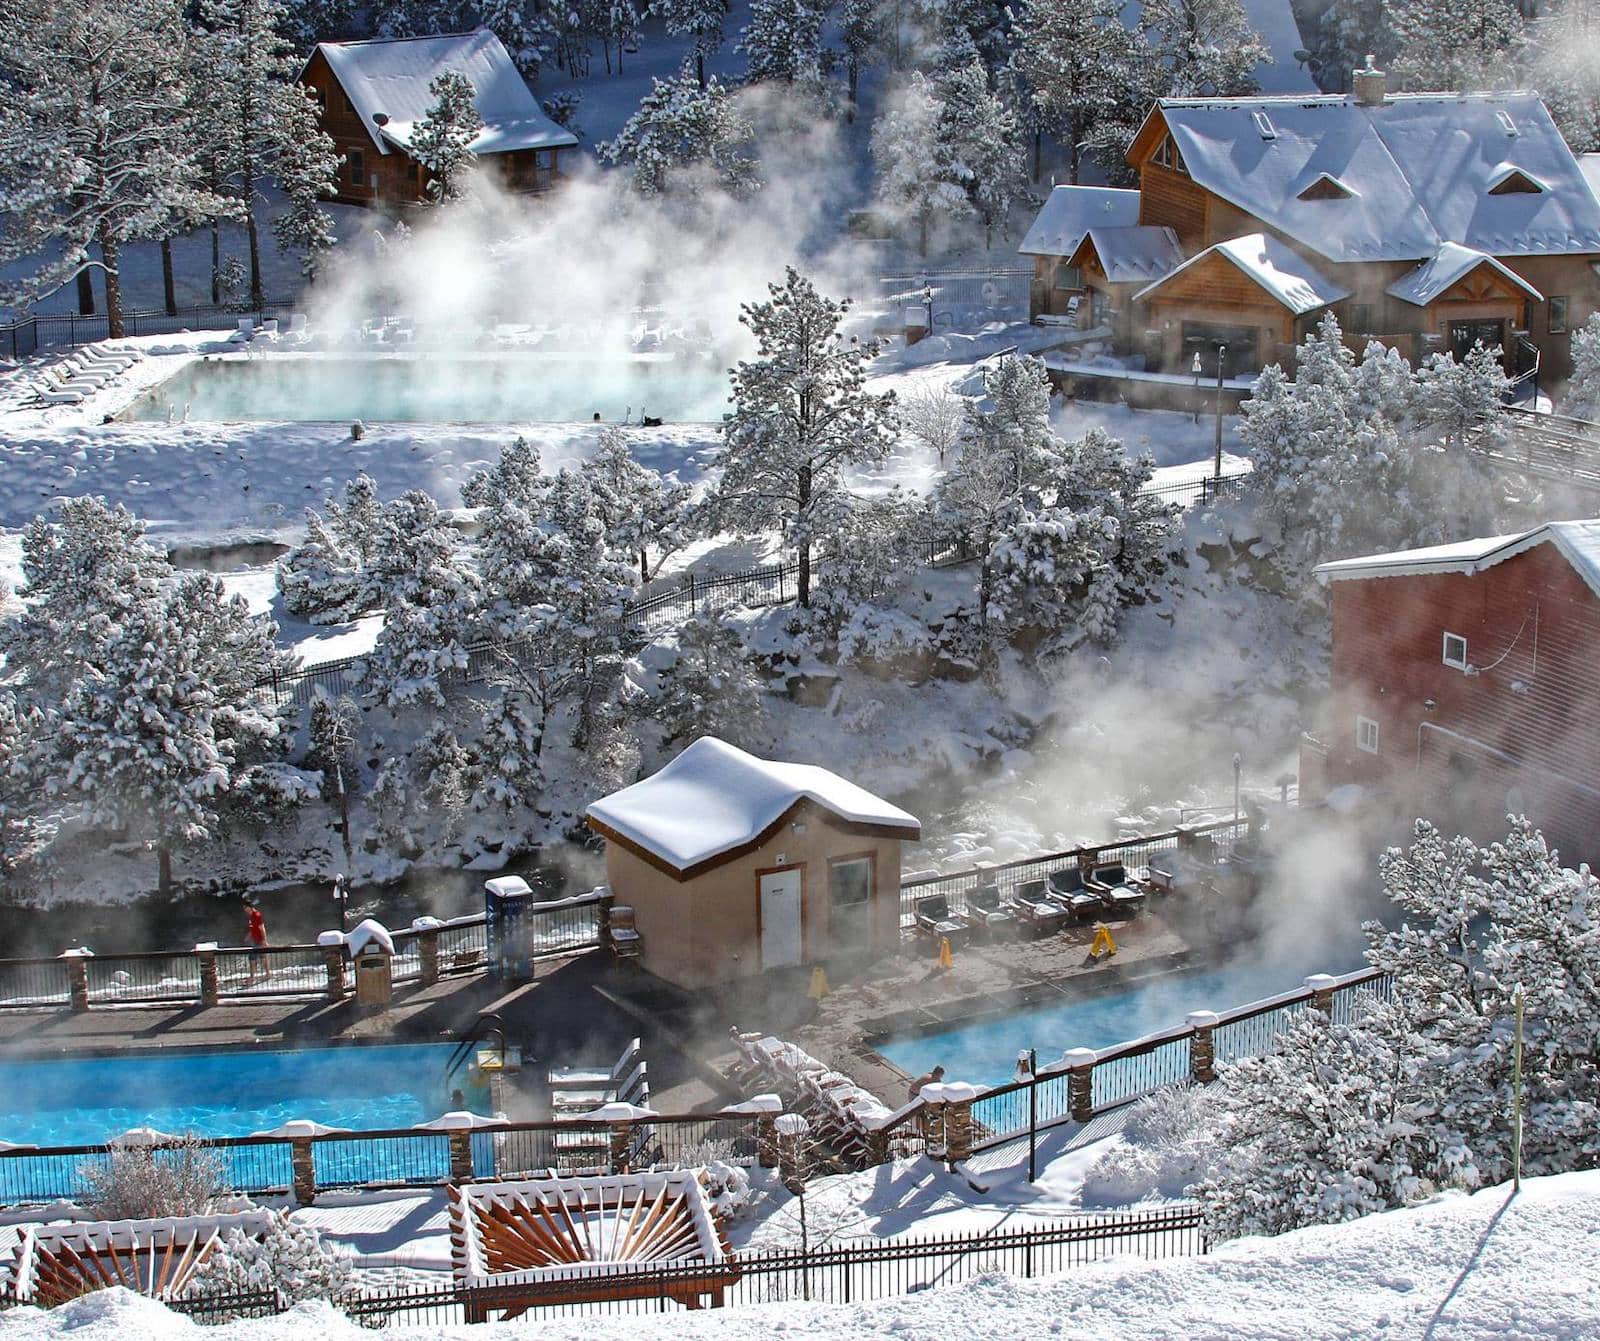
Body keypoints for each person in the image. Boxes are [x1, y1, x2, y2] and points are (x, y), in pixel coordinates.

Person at [244, 898, 268, 984]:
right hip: (255, 940)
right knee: (263, 958)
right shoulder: (251, 916)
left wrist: (264, 940)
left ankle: (252, 978)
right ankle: (268, 974)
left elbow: (262, 928)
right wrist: (248, 936)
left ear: (249, 907)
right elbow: (252, 928)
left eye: (245, 908)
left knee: (252, 958)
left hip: (259, 941)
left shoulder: (257, 915)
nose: (244, 910)